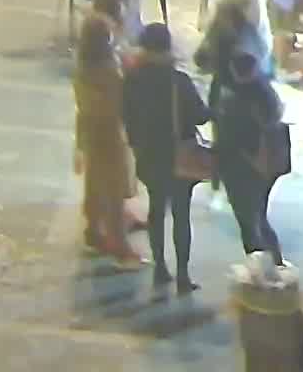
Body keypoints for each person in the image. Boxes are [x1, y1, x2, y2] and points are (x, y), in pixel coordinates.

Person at [119, 22, 206, 294]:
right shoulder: (178, 81)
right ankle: (182, 274)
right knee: (181, 215)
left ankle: (159, 268)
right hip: (179, 157)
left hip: (148, 156)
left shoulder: (132, 80)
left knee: (156, 210)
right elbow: (200, 115)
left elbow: (125, 115)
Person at [70, 9, 138, 265]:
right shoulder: (109, 73)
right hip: (110, 133)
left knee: (95, 183)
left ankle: (93, 229)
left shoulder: (84, 66)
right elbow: (120, 101)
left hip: (89, 130)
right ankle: (118, 243)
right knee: (114, 188)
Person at [209, 43, 288, 262]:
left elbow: (223, 126)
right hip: (257, 164)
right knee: (257, 217)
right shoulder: (262, 90)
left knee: (250, 220)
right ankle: (272, 263)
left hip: (242, 163)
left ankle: (263, 265)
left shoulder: (237, 92)